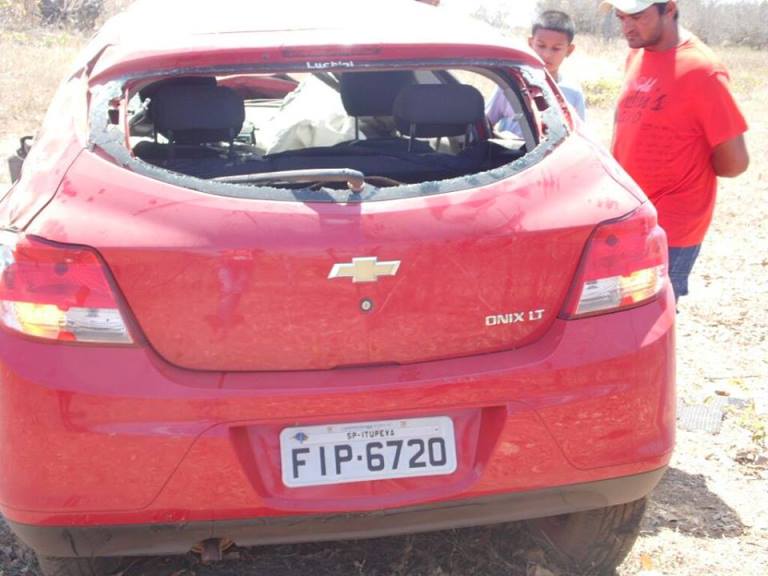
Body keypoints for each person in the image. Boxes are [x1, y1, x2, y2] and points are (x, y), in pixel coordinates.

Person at [601, 0, 749, 301]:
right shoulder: (637, 54)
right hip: (630, 214)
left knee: (649, 314)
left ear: (668, 8)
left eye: (637, 16)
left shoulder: (703, 72)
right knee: (621, 309)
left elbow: (735, 163)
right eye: (621, 17)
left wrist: (684, 164)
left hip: (671, 227)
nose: (627, 27)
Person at [486, 10, 586, 132]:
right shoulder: (510, 85)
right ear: (530, 43)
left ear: (569, 50)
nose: (547, 54)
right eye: (541, 46)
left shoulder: (573, 92)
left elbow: (578, 135)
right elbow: (485, 124)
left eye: (556, 48)